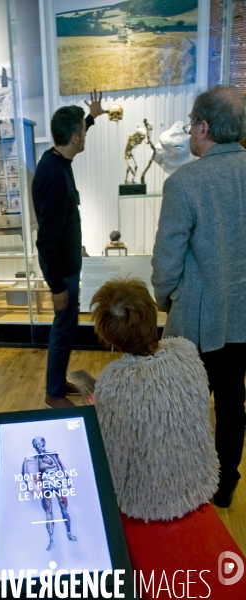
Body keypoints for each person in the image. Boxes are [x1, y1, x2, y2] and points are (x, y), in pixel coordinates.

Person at [151, 85, 246, 509]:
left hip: (198, 320)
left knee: (184, 404)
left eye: (191, 124)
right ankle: (226, 483)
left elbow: (167, 258)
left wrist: (163, 297)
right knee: (232, 401)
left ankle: (186, 484)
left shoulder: (184, 182)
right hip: (242, 317)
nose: (189, 132)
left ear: (204, 127)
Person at [91, 278, 219, 522]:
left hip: (148, 502)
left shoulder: (114, 383)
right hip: (200, 481)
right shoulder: (187, 352)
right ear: (152, 314)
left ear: (108, 335)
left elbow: (113, 457)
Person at [32, 90, 107, 409]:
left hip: (68, 265)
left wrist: (91, 116)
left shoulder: (59, 157)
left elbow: (62, 226)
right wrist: (57, 286)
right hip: (62, 273)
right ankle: (54, 395)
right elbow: (45, 240)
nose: (85, 134)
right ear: (75, 138)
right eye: (83, 130)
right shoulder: (54, 175)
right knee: (64, 331)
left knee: (65, 330)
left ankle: (56, 381)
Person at [22, 437, 77, 550]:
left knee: (64, 509)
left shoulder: (54, 455)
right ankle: (51, 540)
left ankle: (69, 533)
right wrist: (32, 486)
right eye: (36, 446)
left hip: (57, 483)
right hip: (45, 486)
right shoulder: (34, 460)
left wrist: (68, 480)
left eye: (40, 445)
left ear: (43, 444)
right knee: (48, 513)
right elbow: (30, 474)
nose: (38, 447)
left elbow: (62, 468)